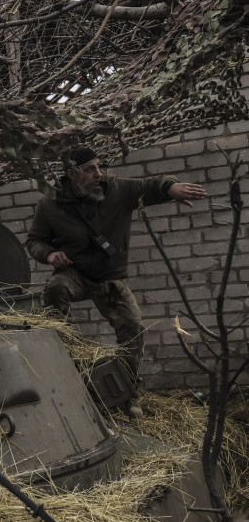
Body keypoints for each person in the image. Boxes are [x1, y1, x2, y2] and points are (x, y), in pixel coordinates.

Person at [25, 146, 207, 418]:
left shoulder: (117, 189)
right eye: (90, 169)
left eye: (99, 166)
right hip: (75, 274)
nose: (99, 173)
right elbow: (34, 241)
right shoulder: (50, 205)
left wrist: (170, 188)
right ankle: (65, 351)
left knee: (133, 328)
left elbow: (150, 185)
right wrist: (49, 253)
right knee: (55, 288)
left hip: (112, 278)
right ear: (73, 174)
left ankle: (127, 395)